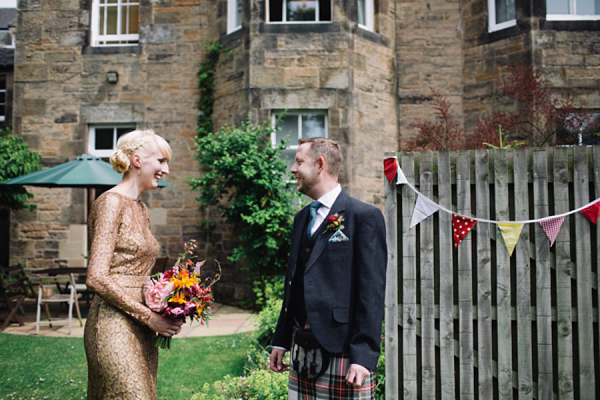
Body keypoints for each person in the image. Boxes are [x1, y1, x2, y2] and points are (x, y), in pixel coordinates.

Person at [269, 137, 387, 399]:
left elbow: (372, 291)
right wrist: (281, 339)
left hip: (344, 352)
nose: (293, 168)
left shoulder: (363, 217)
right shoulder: (302, 218)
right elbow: (293, 283)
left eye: (299, 161)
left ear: (320, 164)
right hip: (302, 347)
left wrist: (364, 357)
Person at [84, 129, 183, 399]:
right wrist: (150, 317)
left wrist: (169, 304)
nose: (167, 169)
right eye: (161, 161)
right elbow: (96, 277)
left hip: (142, 327)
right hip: (112, 324)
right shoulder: (109, 203)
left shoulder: (141, 209)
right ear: (137, 160)